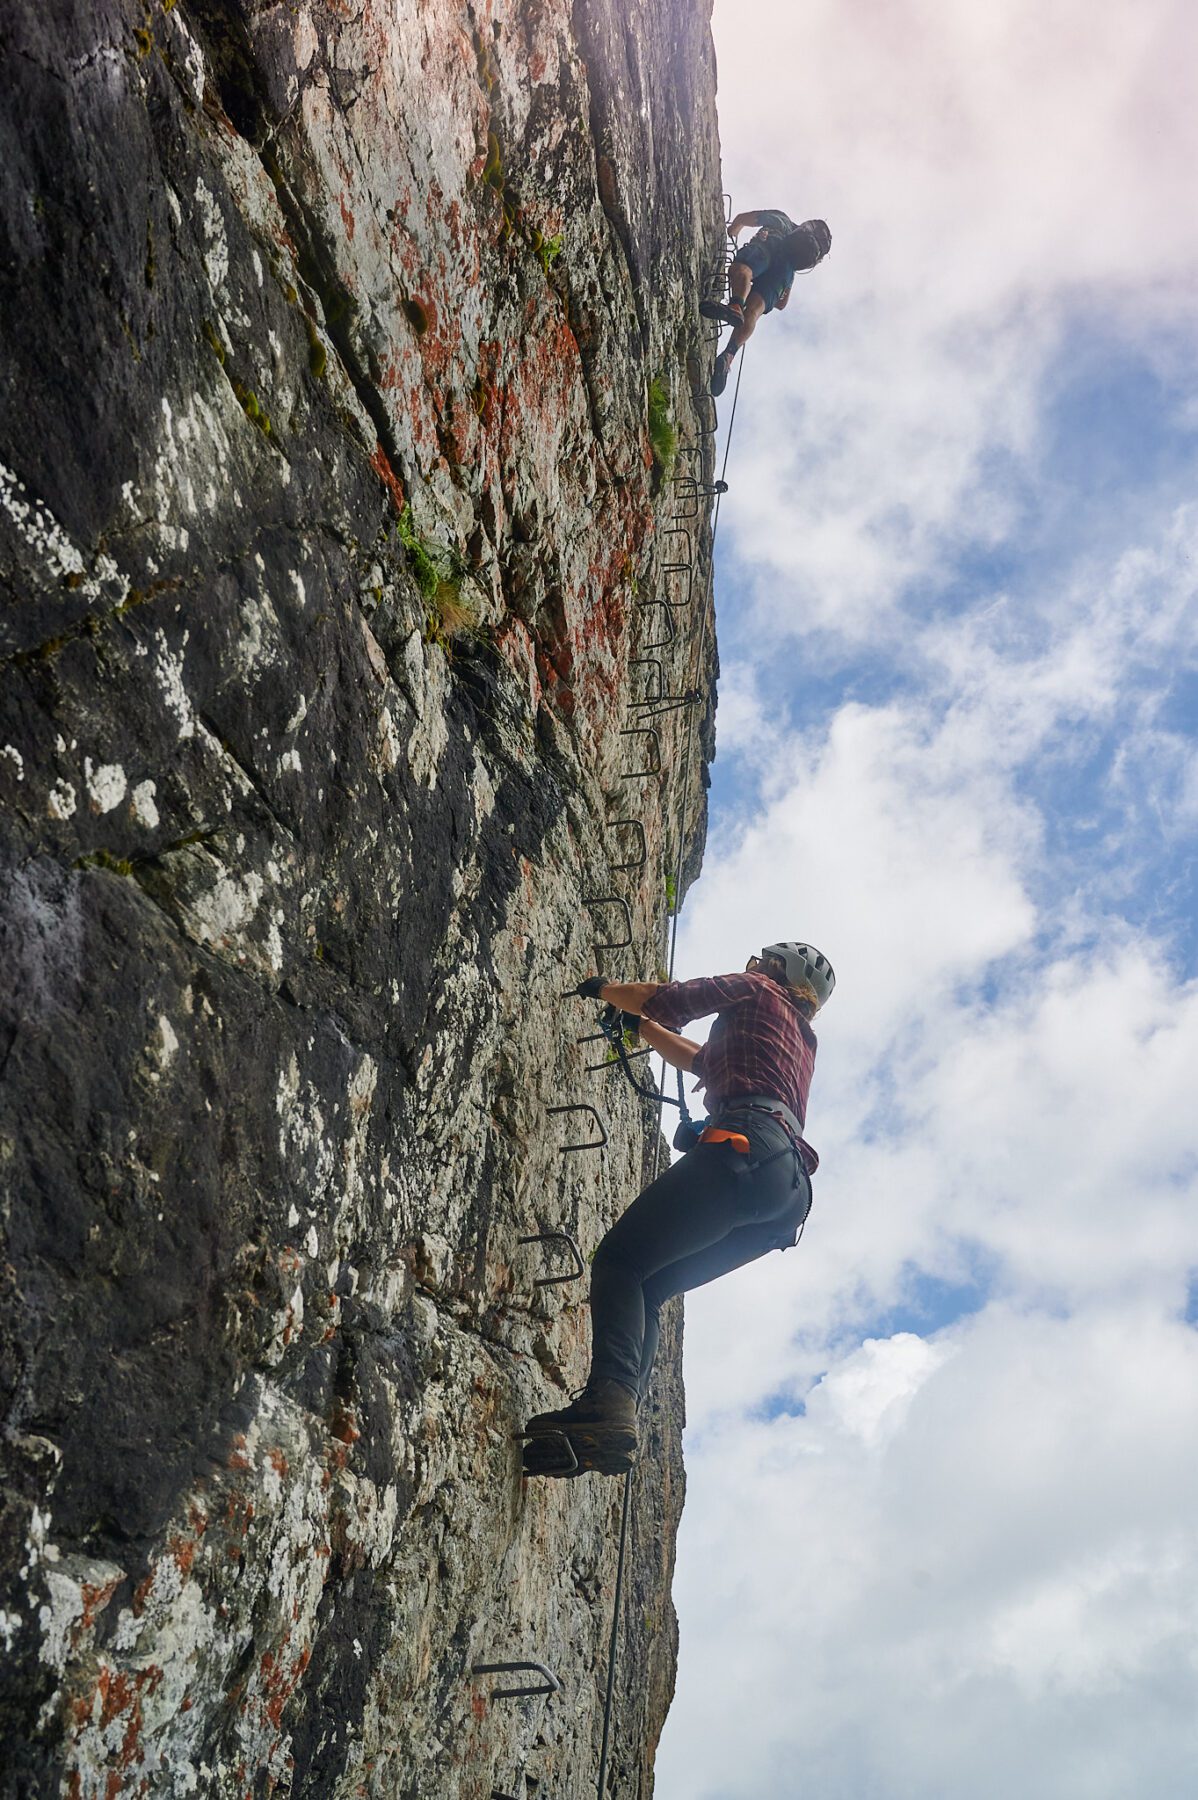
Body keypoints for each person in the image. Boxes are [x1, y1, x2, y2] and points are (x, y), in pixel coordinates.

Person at [521, 941, 835, 1476]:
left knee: (619, 1261)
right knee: (650, 1285)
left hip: (747, 1149)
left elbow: (670, 999)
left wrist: (601, 989)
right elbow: (699, 1059)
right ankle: (614, 1419)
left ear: (778, 969)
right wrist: (636, 1029)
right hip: (787, 1196)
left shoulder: (758, 990)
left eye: (762, 959)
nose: (752, 963)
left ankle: (607, 1401)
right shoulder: (794, 1036)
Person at [701, 210, 832, 395]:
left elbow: (742, 219)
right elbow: (781, 303)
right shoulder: (793, 267)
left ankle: (736, 305)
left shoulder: (782, 220)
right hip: (782, 274)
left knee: (745, 269)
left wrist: (732, 231)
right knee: (754, 310)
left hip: (771, 242)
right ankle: (729, 354)